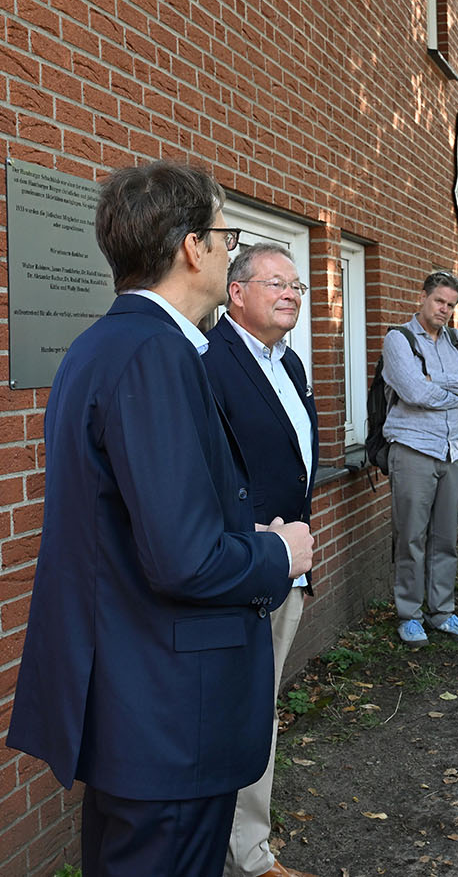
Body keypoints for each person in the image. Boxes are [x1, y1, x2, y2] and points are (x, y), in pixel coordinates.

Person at [8, 162, 314, 877]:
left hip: (138, 698)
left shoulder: (103, 345)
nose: (226, 247)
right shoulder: (155, 355)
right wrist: (278, 554)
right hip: (170, 713)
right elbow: (183, 556)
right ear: (191, 248)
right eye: (223, 233)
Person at [205, 244, 320, 877]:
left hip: (286, 573)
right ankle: (245, 857)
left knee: (260, 715)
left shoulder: (291, 363)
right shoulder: (209, 363)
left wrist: (298, 568)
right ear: (236, 292)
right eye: (276, 283)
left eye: (298, 286)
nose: (292, 294)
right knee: (242, 716)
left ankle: (245, 848)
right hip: (243, 573)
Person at [383, 272, 458, 648]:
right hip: (413, 450)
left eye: (451, 305)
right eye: (439, 301)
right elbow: (412, 392)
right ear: (422, 297)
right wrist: (451, 387)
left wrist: (435, 379)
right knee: (410, 537)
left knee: (446, 538)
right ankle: (409, 615)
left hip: (453, 450)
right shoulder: (399, 339)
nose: (445, 309)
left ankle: (441, 611)